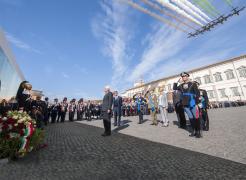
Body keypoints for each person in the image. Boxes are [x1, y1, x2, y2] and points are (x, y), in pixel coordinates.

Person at [173, 72, 201, 138]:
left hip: (192, 102)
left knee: (196, 117)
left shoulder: (193, 84)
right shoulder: (181, 86)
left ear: (187, 76)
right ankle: (193, 131)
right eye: (182, 77)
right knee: (190, 117)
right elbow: (174, 88)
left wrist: (197, 103)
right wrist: (177, 82)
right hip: (185, 103)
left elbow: (197, 93)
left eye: (185, 76)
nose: (184, 77)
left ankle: (198, 132)